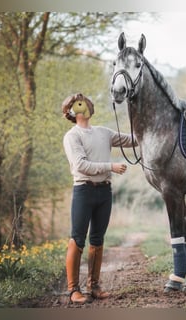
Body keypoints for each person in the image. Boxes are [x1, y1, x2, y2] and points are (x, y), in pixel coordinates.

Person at [61, 93, 135, 304]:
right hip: (84, 191)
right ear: (72, 112)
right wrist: (110, 166)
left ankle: (93, 286)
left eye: (86, 102)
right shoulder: (72, 136)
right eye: (79, 103)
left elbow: (132, 140)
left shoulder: (104, 132)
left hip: (105, 191)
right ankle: (73, 289)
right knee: (77, 238)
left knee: (98, 239)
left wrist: (146, 124)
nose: (85, 104)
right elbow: (81, 165)